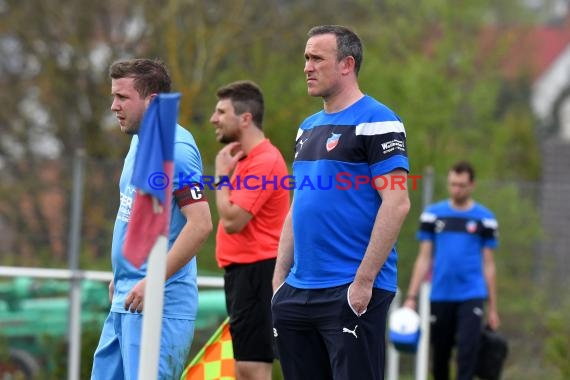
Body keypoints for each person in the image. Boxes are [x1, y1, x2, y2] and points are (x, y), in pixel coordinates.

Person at [271, 25, 411, 380]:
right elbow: (297, 207)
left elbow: (396, 204)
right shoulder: (307, 127)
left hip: (350, 289)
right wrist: (278, 281)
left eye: (316, 58)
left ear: (347, 64)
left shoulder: (378, 121)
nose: (307, 67)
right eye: (306, 58)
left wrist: (363, 282)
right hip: (298, 291)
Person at [91, 58, 213, 380]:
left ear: (153, 100)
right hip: (126, 297)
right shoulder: (138, 141)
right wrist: (122, 272)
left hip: (158, 305)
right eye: (113, 96)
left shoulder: (177, 148)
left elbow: (200, 225)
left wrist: (153, 280)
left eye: (122, 97)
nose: (113, 106)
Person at [210, 80, 290, 380]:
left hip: (258, 272)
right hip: (244, 272)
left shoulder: (264, 161)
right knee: (244, 366)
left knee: (254, 368)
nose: (213, 119)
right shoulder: (243, 160)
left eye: (221, 112)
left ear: (245, 118)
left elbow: (232, 221)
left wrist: (220, 177)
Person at [404, 160, 500, 380]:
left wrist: (493, 308)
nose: (456, 189)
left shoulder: (485, 219)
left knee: (468, 353)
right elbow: (424, 257)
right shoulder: (433, 215)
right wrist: (411, 296)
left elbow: (489, 264)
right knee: (440, 356)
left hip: (472, 294)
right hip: (441, 294)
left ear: (472, 185)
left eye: (461, 185)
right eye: (453, 184)